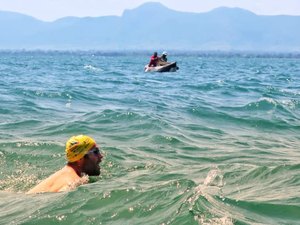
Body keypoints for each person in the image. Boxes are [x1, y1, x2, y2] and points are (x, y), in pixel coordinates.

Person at [27, 135, 103, 194]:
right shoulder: (74, 182)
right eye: (95, 152)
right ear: (80, 158)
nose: (101, 156)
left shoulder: (64, 173)